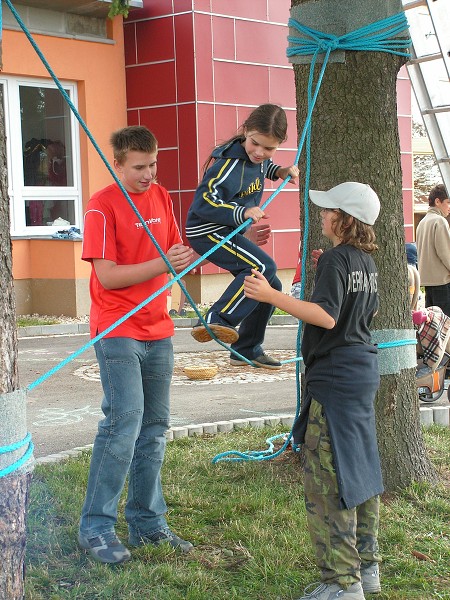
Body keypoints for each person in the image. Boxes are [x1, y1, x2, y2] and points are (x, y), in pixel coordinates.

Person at [244, 182, 383, 600]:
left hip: (335, 379)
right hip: (361, 374)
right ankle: (368, 567)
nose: (321, 216)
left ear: (344, 218)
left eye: (327, 211)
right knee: (360, 470)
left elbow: (324, 316)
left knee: (330, 478)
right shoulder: (364, 261)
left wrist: (271, 295)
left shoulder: (337, 261)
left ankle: (342, 584)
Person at [78, 126, 194, 565]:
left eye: (154, 165)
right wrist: (162, 263)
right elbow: (106, 276)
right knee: (124, 421)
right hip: (117, 327)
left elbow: (176, 252)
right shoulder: (101, 206)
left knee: (155, 427)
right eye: (140, 168)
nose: (149, 175)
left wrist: (235, 238)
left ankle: (147, 522)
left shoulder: (161, 196)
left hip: (158, 328)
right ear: (119, 164)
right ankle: (96, 526)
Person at [186, 103, 299, 370]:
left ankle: (246, 348)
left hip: (225, 229)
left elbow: (263, 168)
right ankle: (218, 318)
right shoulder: (228, 164)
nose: (259, 152)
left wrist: (280, 172)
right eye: (255, 144)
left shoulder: (256, 159)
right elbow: (203, 203)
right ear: (246, 131)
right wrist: (242, 212)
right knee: (262, 268)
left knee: (270, 285)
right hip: (206, 231)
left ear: (280, 144)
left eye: (269, 148)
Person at [416, 183, 450, 317]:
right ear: (437, 201)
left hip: (428, 284)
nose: (449, 207)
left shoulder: (422, 223)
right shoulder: (439, 221)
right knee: (445, 329)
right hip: (443, 283)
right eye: (448, 202)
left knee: (433, 329)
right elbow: (446, 253)